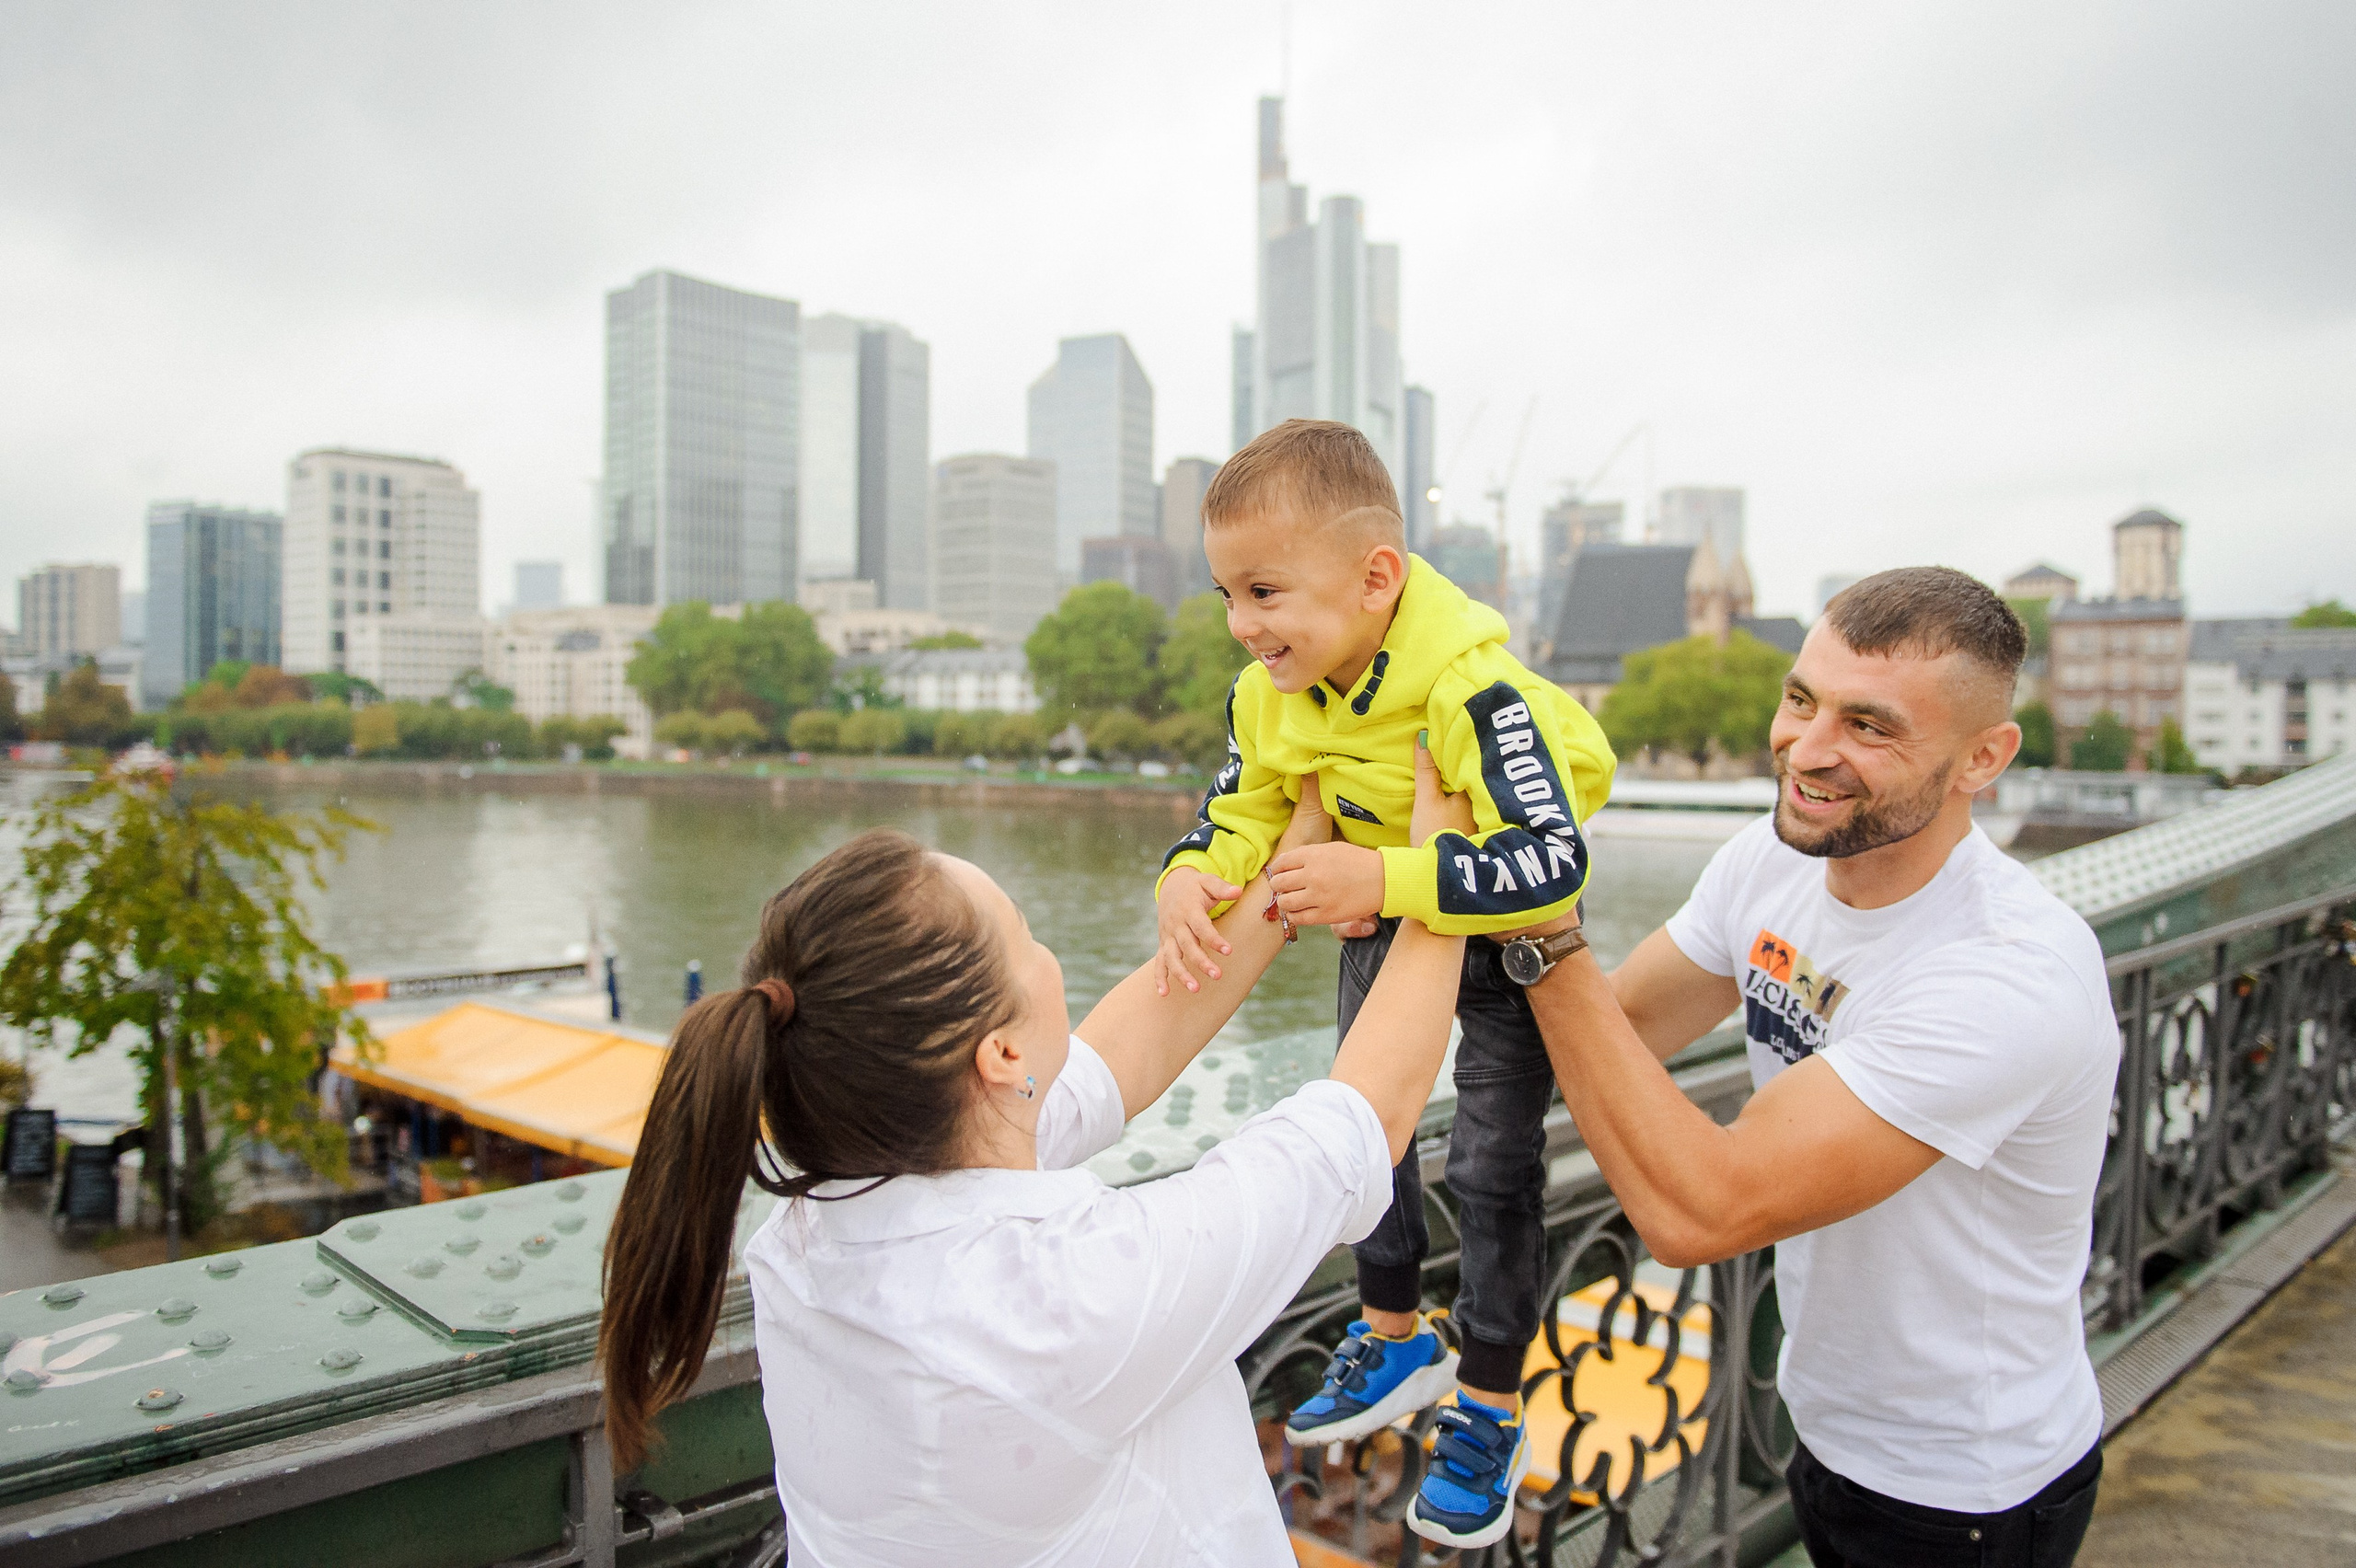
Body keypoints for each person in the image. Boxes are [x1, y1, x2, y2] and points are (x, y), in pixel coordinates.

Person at [597, 748, 1477, 1567]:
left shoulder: (817, 1226)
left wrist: (1282, 878)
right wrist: (1446, 874)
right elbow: (1367, 1114)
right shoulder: (1071, 1292)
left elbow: (1124, 1055)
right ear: (1002, 1058)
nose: (1048, 955)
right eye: (1026, 936)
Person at [1498, 568, 2116, 1567]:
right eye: (1799, 700)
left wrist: (1540, 926)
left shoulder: (2008, 976)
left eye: (1867, 727)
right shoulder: (1771, 859)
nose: (1805, 749)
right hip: (1822, 1424)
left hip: (1968, 1486)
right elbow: (1618, 1029)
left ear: (1981, 759)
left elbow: (1701, 1210)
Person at [1151, 419, 1615, 1550]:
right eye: (1225, 594)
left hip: (1503, 936)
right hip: (1387, 905)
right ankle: (1395, 1330)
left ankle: (1491, 1403)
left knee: (1494, 1166)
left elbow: (1553, 861)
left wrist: (1387, 873)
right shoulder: (1270, 693)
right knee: (1366, 1129)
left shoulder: (1474, 692)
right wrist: (1189, 873)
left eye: (1263, 591)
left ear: (1375, 578)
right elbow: (1241, 808)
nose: (1241, 626)